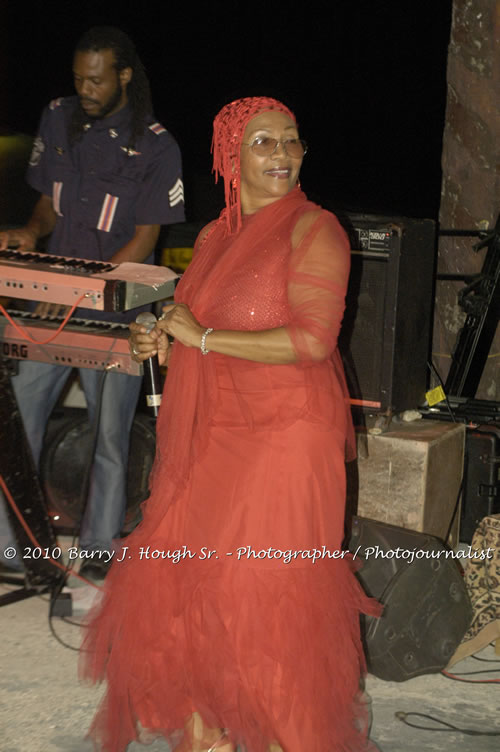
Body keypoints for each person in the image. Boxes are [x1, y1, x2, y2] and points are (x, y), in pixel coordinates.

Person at [81, 96, 380, 751]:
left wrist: (206, 336)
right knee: (193, 595)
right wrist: (160, 337)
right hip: (210, 444)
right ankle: (210, 736)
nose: (283, 154)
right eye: (265, 142)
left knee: (262, 605)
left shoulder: (315, 229)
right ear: (231, 156)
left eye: (292, 141)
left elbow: (311, 341)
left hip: (281, 444)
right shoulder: (216, 238)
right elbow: (192, 324)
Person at [0, 27, 184, 580]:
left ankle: (99, 547)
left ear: (124, 75)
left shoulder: (156, 145)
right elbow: (49, 200)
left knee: (109, 434)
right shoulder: (57, 116)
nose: (85, 88)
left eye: (97, 79)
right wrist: (32, 232)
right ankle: (14, 547)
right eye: (79, 77)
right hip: (50, 311)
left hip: (116, 315)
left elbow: (147, 238)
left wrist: (86, 292)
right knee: (17, 422)